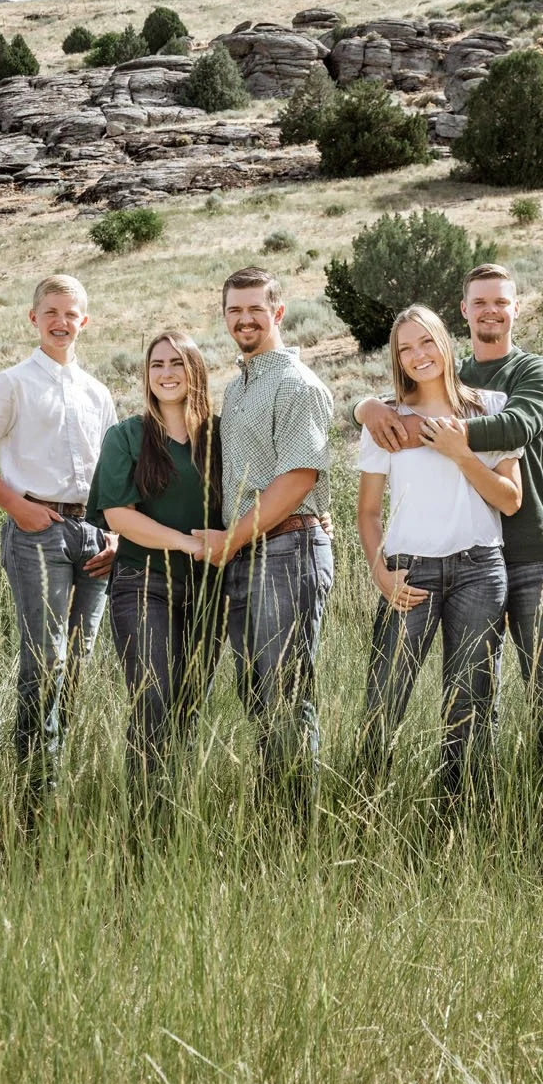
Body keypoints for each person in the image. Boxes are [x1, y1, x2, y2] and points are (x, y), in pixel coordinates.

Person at [354, 264, 543, 772]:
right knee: (400, 698)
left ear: (515, 308)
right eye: (480, 303)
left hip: (522, 557)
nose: (491, 311)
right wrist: (367, 408)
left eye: (501, 302)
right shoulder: (406, 407)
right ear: (464, 313)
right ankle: (367, 806)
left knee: (534, 689)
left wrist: (446, 442)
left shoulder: (522, 380)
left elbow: (516, 431)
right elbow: (367, 509)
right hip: (420, 566)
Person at [0, 274, 117, 795]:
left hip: (93, 534)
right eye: (51, 312)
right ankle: (34, 782)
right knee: (46, 657)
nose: (61, 322)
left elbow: (113, 472)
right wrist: (16, 506)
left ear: (84, 321)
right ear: (33, 318)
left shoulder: (98, 393)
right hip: (37, 530)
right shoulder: (14, 382)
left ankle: (56, 763)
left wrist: (115, 534)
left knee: (79, 655)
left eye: (71, 313)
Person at [356, 305, 522, 796]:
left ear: (445, 342)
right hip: (409, 572)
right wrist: (378, 571)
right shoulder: (386, 420)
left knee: (470, 702)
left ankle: (462, 816)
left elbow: (509, 500)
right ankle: (364, 808)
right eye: (405, 349)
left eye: (425, 342)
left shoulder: (493, 407)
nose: (418, 355)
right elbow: (368, 512)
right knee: (384, 699)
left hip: (479, 570)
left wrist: (461, 454)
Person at [193, 267, 334, 806]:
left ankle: (295, 827)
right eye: (235, 310)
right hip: (254, 554)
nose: (244, 319)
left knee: (286, 697)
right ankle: (277, 814)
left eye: (256, 309)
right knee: (258, 696)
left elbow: (298, 479)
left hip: (288, 551)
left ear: (278, 313)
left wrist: (229, 542)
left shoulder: (295, 383)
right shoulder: (240, 385)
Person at [86, 331, 225, 818]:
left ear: (196, 372)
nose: (166, 373)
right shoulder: (126, 436)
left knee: (187, 709)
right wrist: (189, 543)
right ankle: (144, 825)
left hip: (211, 593)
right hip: (144, 584)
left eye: (177, 363)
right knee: (153, 703)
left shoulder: (222, 437)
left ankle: (176, 813)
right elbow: (119, 517)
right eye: (156, 364)